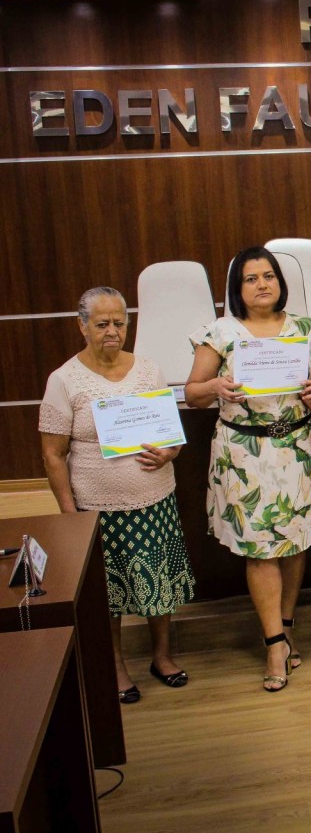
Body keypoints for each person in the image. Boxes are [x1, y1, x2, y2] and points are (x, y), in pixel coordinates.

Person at [184, 247, 311, 691]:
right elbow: (192, 394)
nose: (262, 284)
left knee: (293, 541)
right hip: (244, 454)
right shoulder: (220, 332)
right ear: (237, 288)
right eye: (251, 279)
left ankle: (286, 626)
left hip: (298, 446)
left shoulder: (306, 328)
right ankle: (272, 642)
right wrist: (215, 386)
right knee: (259, 548)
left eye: (269, 276)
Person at [39, 287, 195, 704]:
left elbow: (172, 437)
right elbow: (53, 456)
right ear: (82, 326)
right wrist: (69, 514)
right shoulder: (64, 380)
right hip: (97, 508)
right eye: (102, 323)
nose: (112, 331)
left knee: (158, 583)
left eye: (120, 322)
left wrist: (170, 452)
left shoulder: (147, 370)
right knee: (109, 593)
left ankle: (162, 655)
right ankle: (115, 663)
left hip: (156, 497)